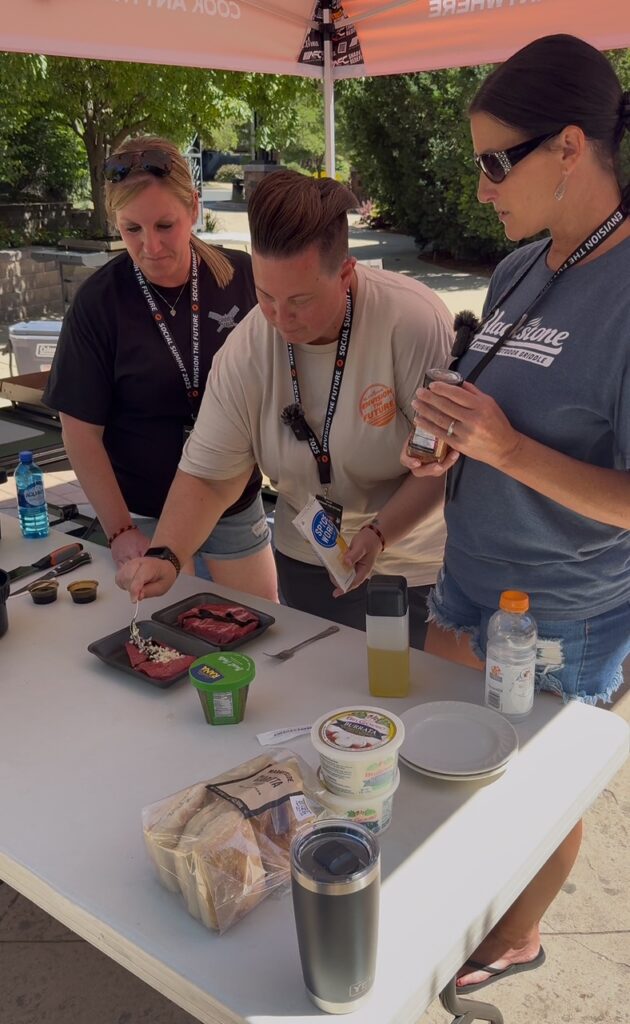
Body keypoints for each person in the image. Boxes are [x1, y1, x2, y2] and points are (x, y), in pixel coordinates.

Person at [402, 34, 630, 993]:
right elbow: (494, 407)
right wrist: (444, 434)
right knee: (461, 781)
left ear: (570, 148)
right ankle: (474, 907)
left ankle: (516, 937)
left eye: (498, 161)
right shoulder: (519, 269)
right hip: (467, 587)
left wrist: (506, 448)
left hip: (562, 614)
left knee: (534, 798)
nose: (484, 186)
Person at [116, 169, 454, 648]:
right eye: (265, 294)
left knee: (409, 706)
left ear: (345, 272)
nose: (279, 317)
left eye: (300, 300)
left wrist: (379, 535)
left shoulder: (412, 323)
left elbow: (442, 463)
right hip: (308, 561)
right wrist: (167, 555)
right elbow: (211, 474)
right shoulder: (248, 347)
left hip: (416, 568)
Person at [44, 135, 278, 601]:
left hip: (233, 502)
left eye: (165, 225)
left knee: (263, 631)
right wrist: (119, 530)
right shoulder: (100, 302)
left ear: (193, 208)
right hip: (143, 512)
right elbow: (79, 431)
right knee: (168, 647)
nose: (150, 246)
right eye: (132, 230)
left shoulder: (243, 277)